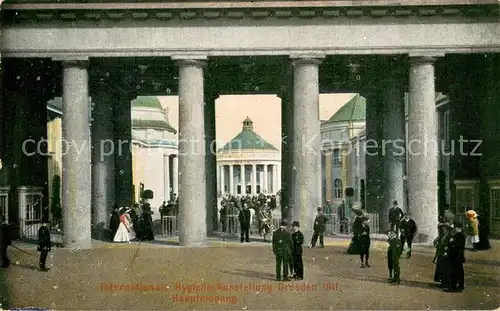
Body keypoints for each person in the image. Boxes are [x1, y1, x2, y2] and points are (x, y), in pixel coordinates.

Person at [445, 221, 466, 292]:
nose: (454, 229)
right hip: (457, 256)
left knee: (455, 272)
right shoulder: (459, 235)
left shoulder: (460, 236)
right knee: (459, 272)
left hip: (456, 256)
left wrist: (452, 242)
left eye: (455, 228)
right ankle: (459, 286)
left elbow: (458, 246)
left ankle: (454, 287)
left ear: (458, 228)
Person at [433, 222, 452, 287]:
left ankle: (446, 282)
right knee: (440, 268)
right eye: (443, 228)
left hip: (447, 254)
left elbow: (450, 245)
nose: (444, 229)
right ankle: (442, 281)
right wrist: (437, 243)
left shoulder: (450, 236)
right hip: (440, 253)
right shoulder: (441, 235)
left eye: (445, 228)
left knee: (446, 269)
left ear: (448, 229)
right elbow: (435, 242)